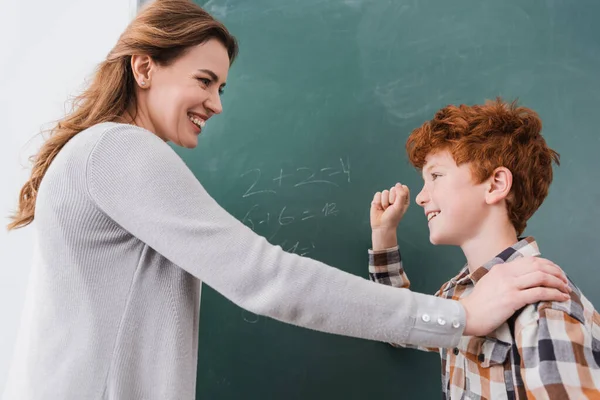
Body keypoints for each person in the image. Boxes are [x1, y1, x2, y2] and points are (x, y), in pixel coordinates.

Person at [3, 1, 570, 399]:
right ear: (145, 67)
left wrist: (395, 256)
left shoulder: (100, 154)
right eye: (204, 80)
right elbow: (265, 278)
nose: (216, 104)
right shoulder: (120, 152)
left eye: (220, 87)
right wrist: (462, 315)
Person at [369, 99, 600, 399]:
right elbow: (398, 327)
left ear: (495, 185)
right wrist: (384, 233)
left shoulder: (546, 308)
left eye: (436, 176)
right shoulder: (460, 296)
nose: (421, 197)